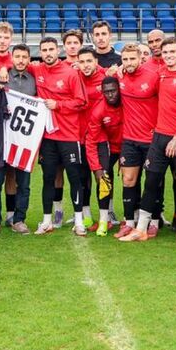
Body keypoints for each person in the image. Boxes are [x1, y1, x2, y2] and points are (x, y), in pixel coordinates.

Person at [121, 37, 176, 242]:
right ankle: (141, 228)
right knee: (151, 182)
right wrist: (119, 70)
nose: (168, 55)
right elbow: (135, 72)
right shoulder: (158, 74)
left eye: (172, 51)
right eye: (165, 52)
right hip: (159, 137)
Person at [29, 37, 88, 235]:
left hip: (69, 135)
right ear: (40, 52)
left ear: (58, 50)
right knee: (48, 178)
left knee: (74, 178)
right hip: (47, 137)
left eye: (51, 49)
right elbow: (16, 64)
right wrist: (4, 70)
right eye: (44, 50)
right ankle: (47, 220)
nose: (48, 53)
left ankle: (79, 221)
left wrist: (58, 105)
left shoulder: (71, 73)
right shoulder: (36, 70)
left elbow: (81, 101)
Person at [0, 44, 36, 234]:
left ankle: (19, 219)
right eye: (17, 57)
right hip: (1, 138)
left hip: (24, 140)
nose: (21, 60)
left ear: (29, 59)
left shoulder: (33, 80)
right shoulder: (1, 76)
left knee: (23, 183)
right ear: (12, 58)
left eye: (24, 57)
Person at [114, 43, 158, 238]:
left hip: (151, 139)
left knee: (152, 181)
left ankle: (153, 222)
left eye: (132, 58)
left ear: (141, 58)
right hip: (129, 138)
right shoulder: (119, 76)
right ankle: (129, 222)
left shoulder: (153, 76)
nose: (129, 62)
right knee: (128, 180)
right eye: (125, 59)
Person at [85, 76, 123, 236]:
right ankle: (104, 220)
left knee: (131, 179)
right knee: (103, 180)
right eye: (106, 92)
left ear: (119, 89)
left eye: (113, 91)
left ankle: (132, 219)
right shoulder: (98, 110)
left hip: (127, 144)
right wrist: (96, 168)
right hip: (107, 144)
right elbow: (91, 141)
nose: (110, 95)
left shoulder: (127, 102)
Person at [75, 47, 105, 228]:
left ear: (96, 62)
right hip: (79, 136)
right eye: (82, 62)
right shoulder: (74, 76)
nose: (85, 65)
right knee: (82, 178)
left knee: (102, 177)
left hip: (100, 138)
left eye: (89, 61)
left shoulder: (106, 77)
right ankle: (86, 215)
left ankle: (105, 216)